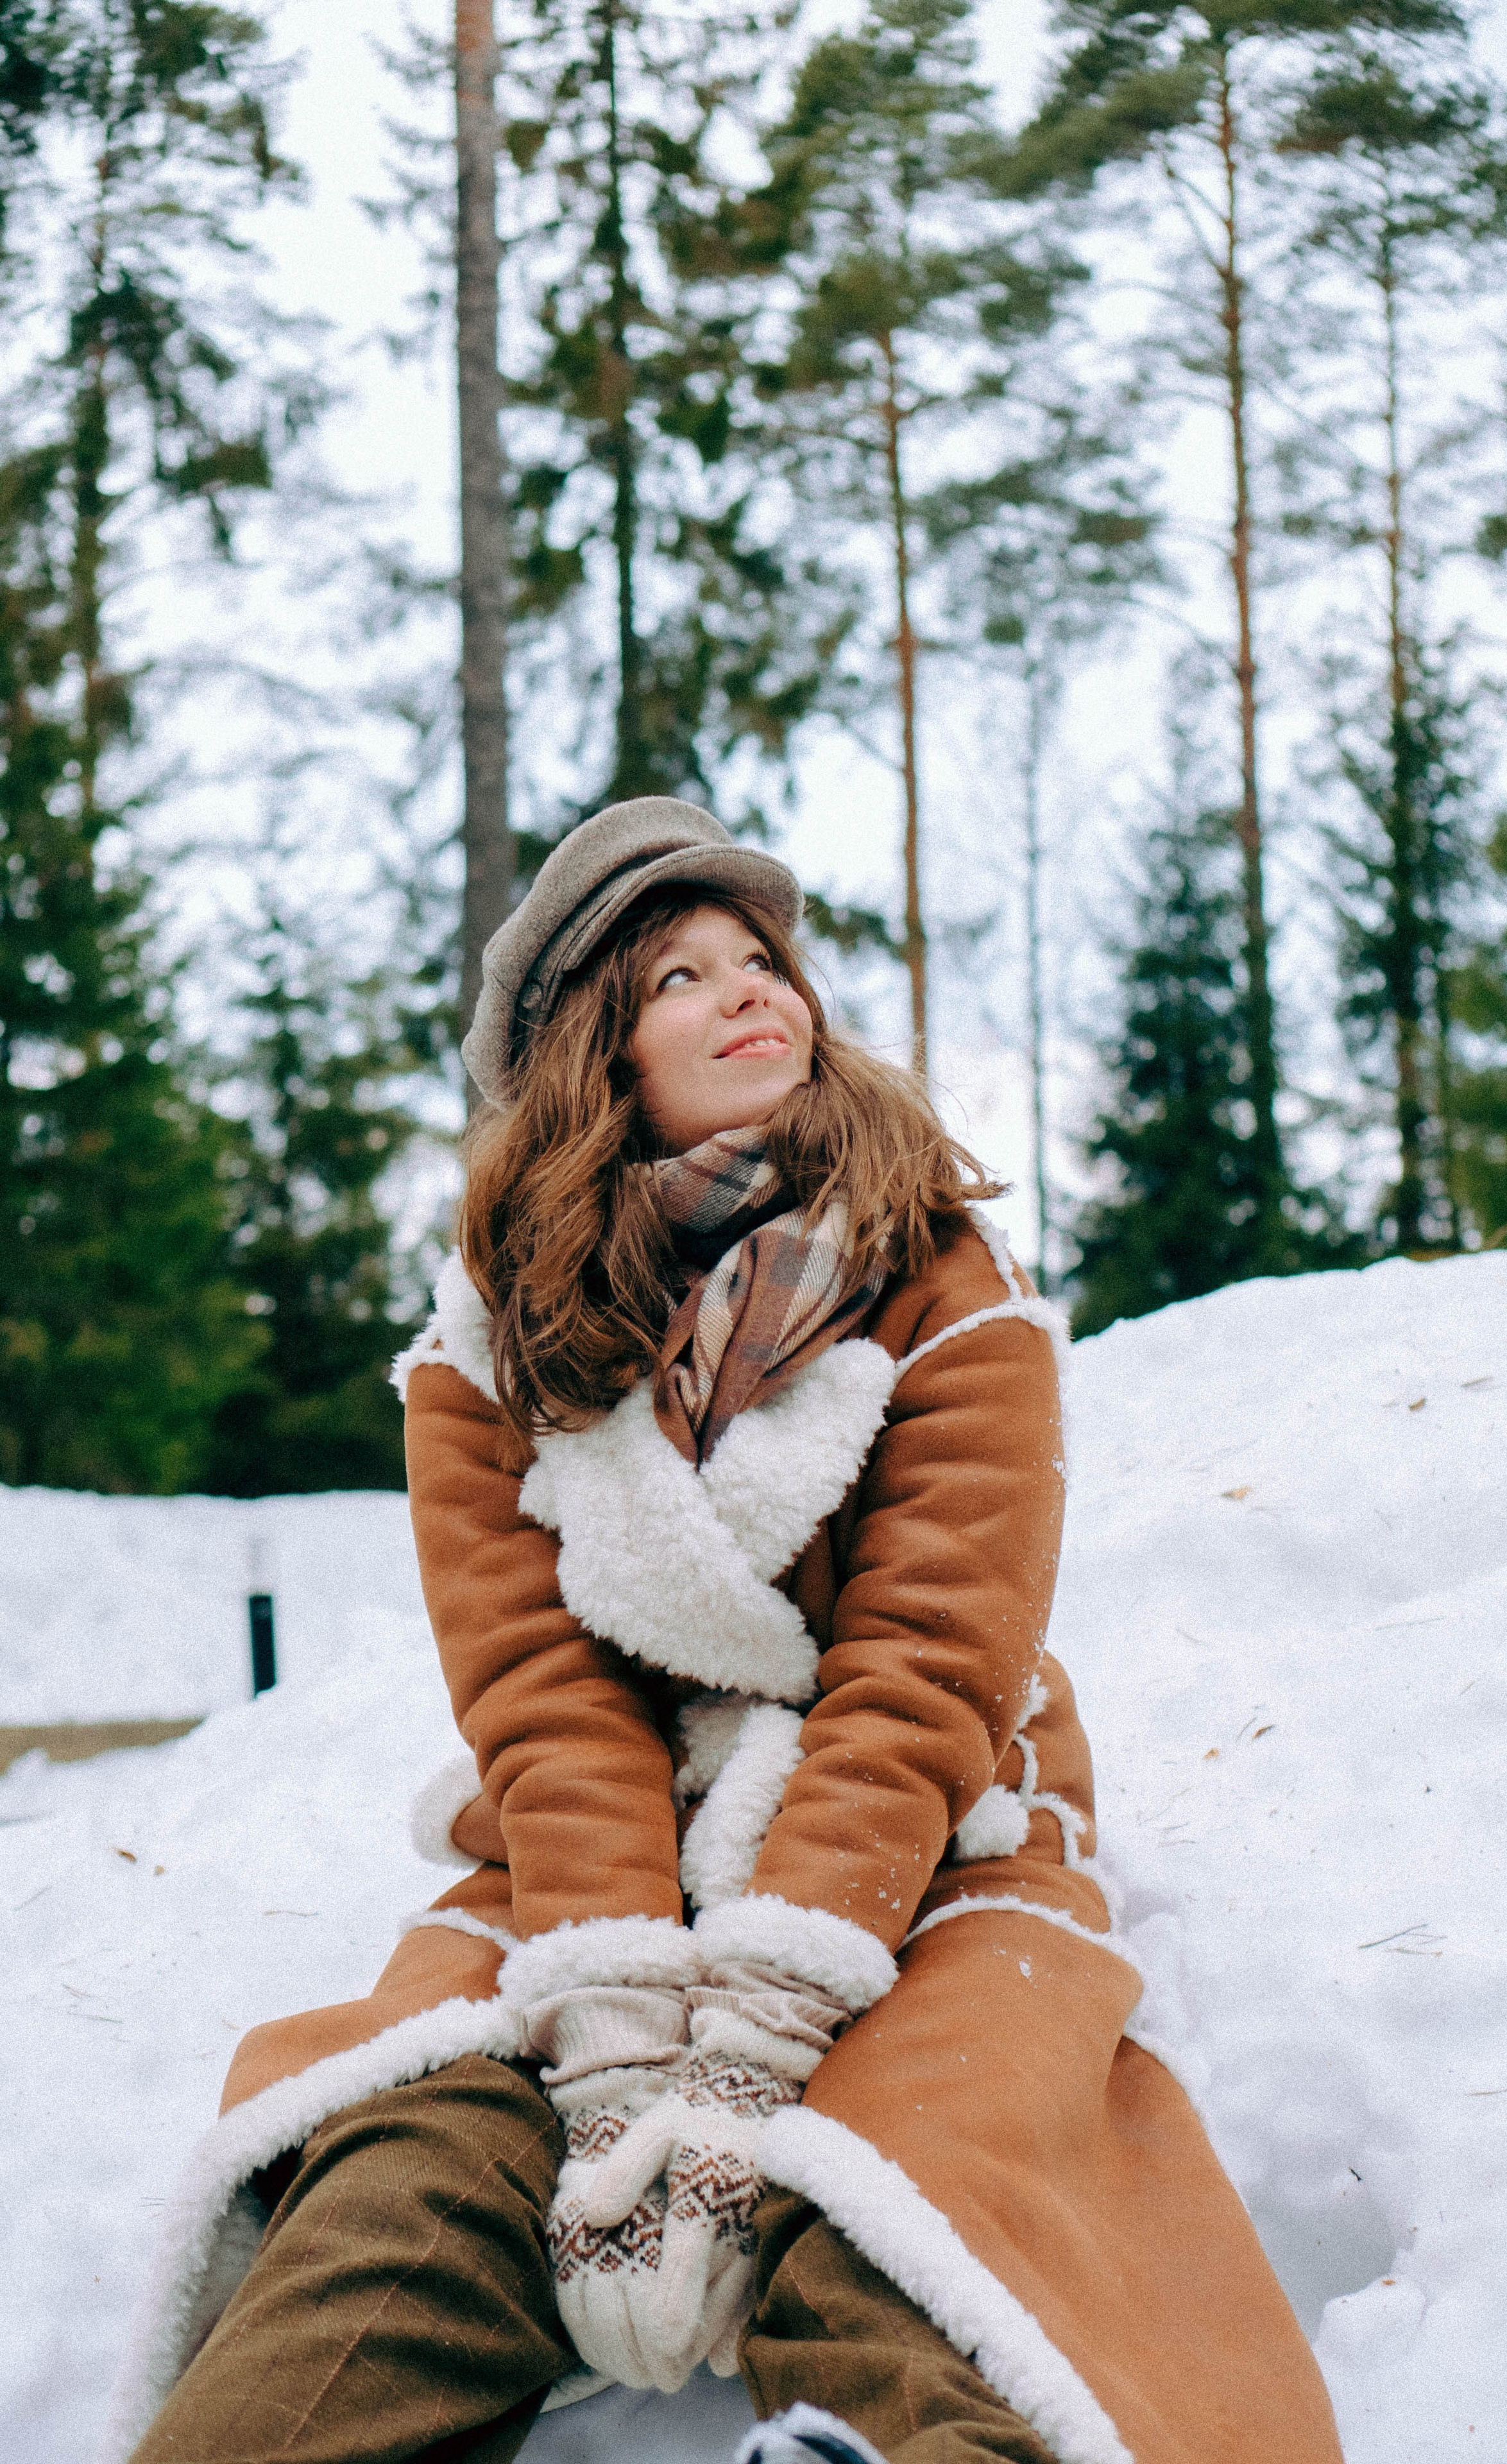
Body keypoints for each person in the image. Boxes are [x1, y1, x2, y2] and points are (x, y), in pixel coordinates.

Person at [107, 800, 1343, 2464]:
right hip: (596, 1858)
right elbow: (545, 1700)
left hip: (913, 1829)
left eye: (763, 959)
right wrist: (615, 2048)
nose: (750, 989)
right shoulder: (487, 1355)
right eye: (681, 976)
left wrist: (763, 2032)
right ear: (592, 1063)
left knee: (922, 2167)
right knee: (416, 2163)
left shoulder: (937, 1278)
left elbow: (926, 1667)